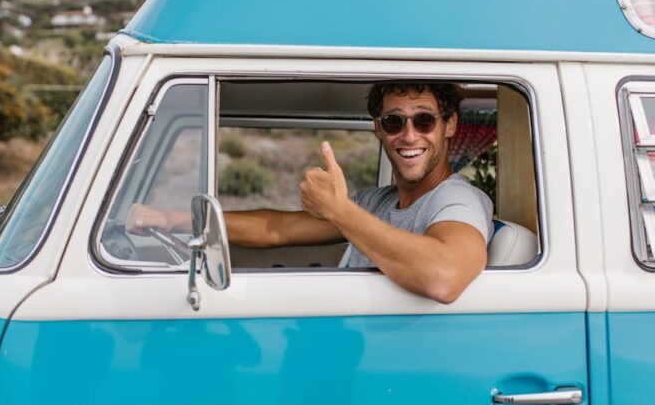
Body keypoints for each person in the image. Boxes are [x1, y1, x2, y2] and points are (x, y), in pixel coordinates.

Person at [127, 82, 493, 304]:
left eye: (424, 120)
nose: (409, 135)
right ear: (378, 131)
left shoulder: (457, 200)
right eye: (394, 122)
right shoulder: (377, 202)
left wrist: (338, 209)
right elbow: (278, 229)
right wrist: (173, 219)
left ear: (449, 127)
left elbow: (444, 278)